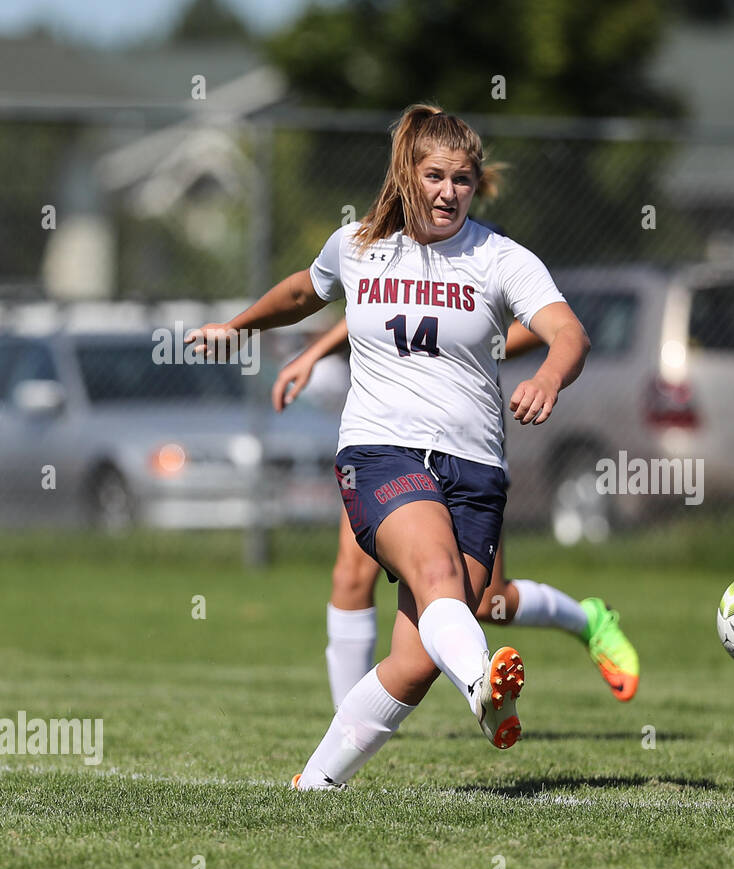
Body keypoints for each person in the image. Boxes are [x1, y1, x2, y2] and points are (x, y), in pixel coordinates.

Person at [188, 103, 591, 789]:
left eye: (462, 179)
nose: (448, 192)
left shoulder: (500, 257)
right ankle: (482, 686)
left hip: (477, 469)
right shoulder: (356, 245)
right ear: (407, 175)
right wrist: (240, 326)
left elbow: (569, 332)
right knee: (437, 581)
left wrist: (551, 376)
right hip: (383, 453)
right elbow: (299, 292)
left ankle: (312, 788)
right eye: (434, 176)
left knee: (414, 657)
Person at [271, 315, 640, 709]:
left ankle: (587, 621)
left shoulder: (486, 253)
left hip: (464, 439)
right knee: (351, 575)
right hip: (386, 436)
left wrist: (456, 344)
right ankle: (346, 724)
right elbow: (370, 307)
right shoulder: (389, 253)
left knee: (485, 602)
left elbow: (546, 327)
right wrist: (316, 351)